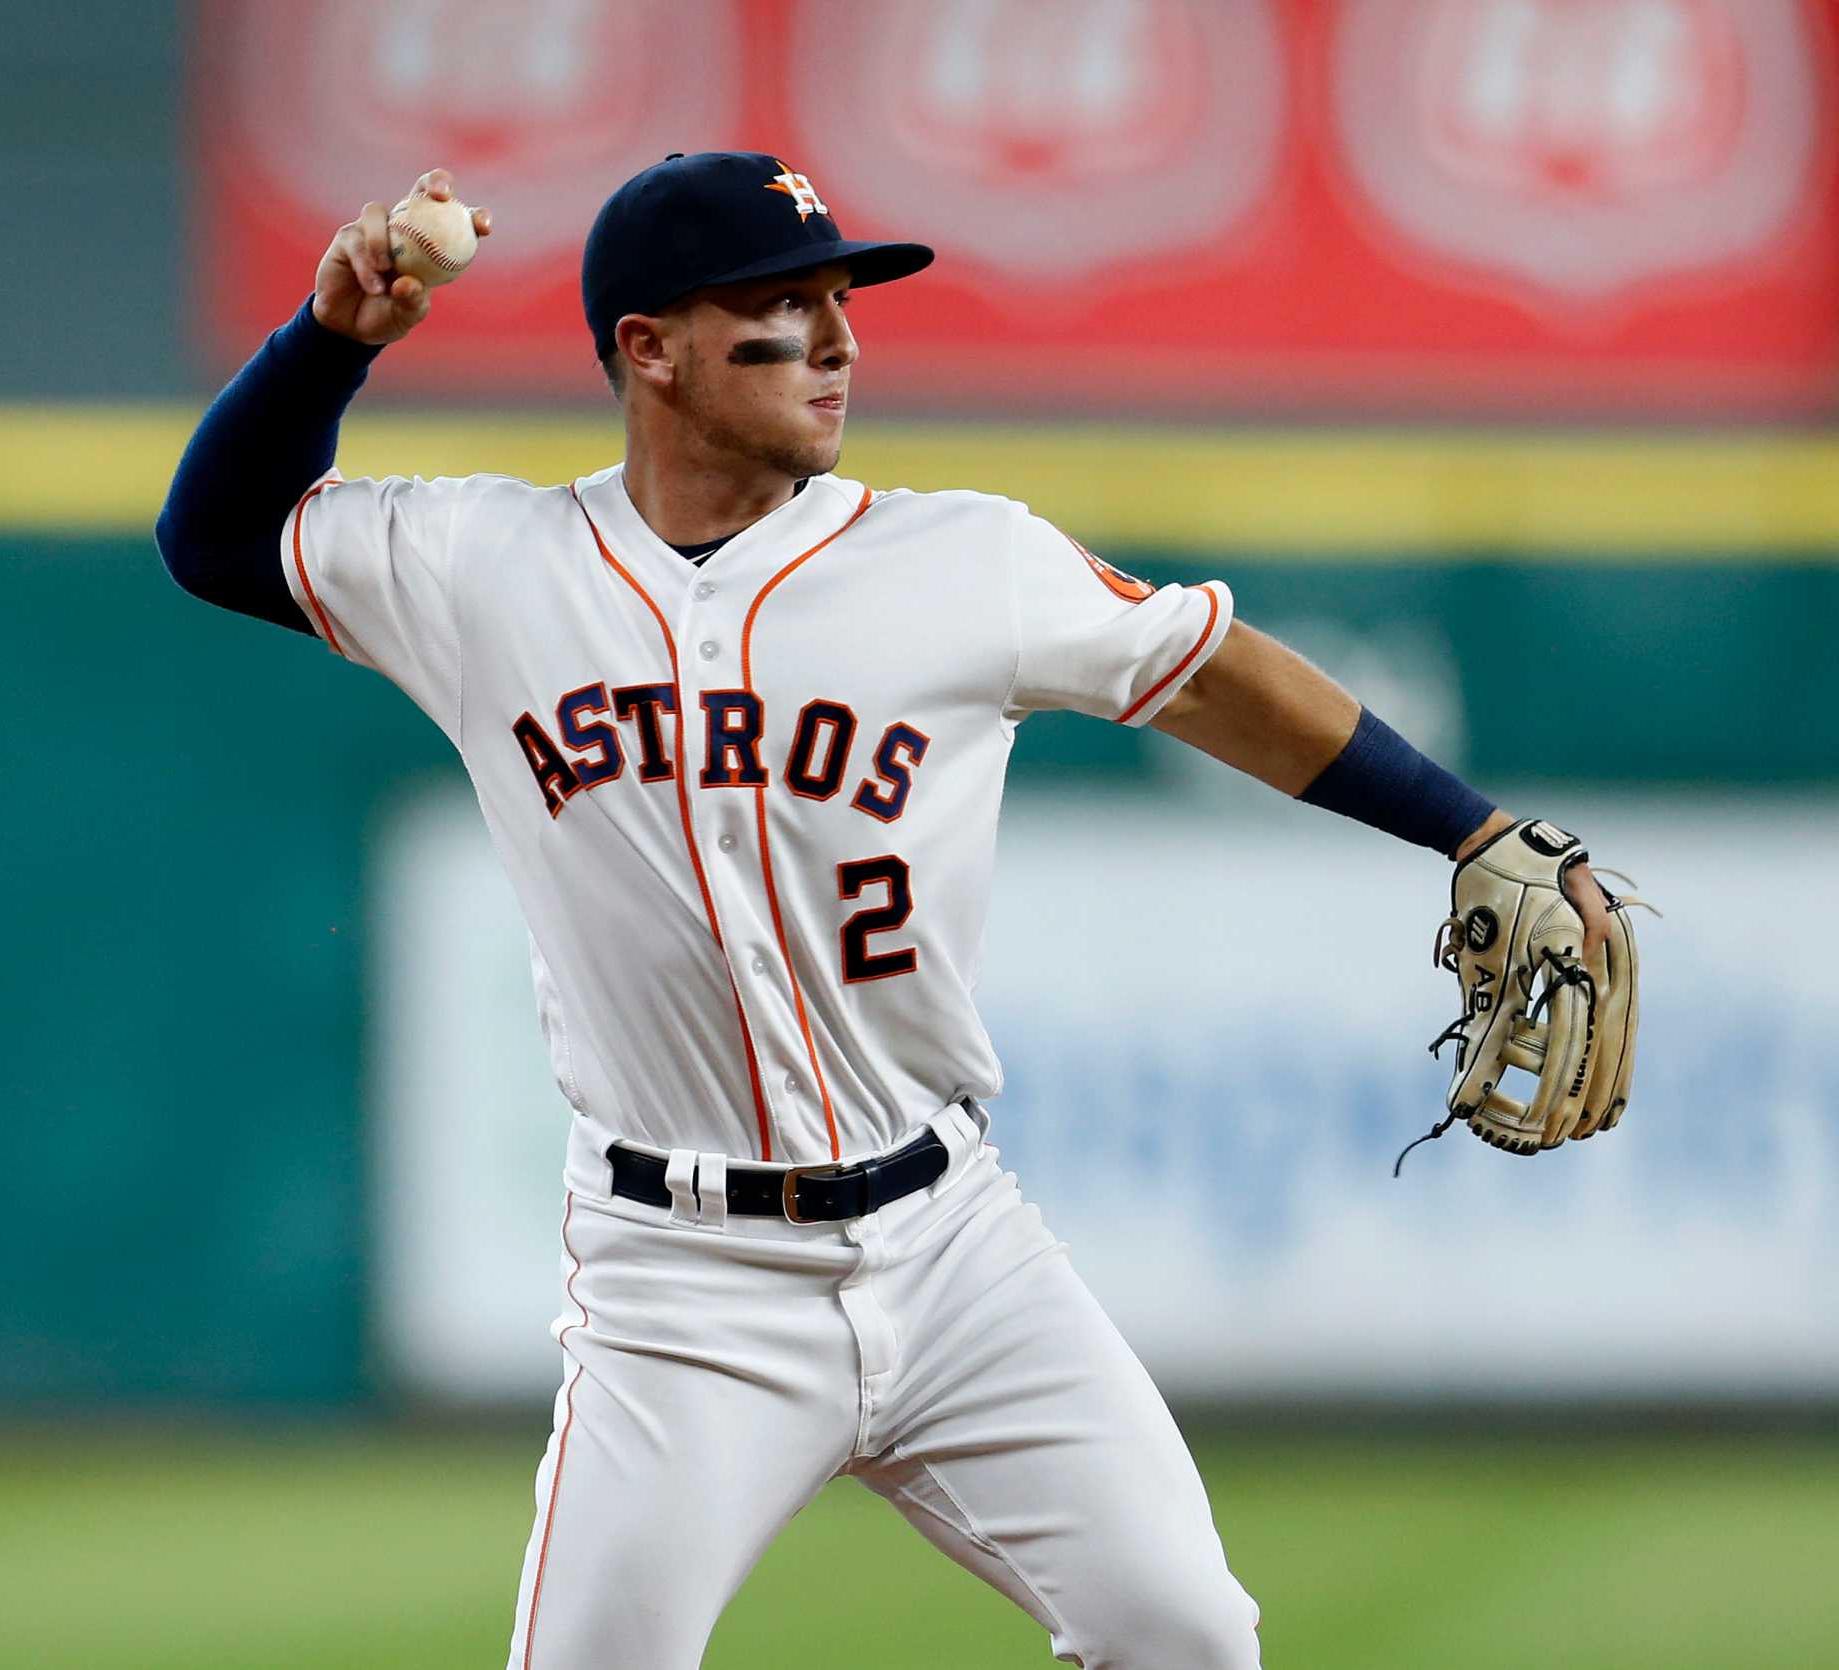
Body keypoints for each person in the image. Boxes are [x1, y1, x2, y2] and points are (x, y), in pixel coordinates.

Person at [156, 152, 1613, 1669]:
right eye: (782, 308)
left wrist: (1472, 829)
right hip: (683, 1284)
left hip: (951, 1239)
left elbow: (1210, 665)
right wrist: (332, 340)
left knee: (1186, 1630)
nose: (839, 341)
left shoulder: (959, 559)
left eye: (843, 301)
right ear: (648, 348)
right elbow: (213, 538)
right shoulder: (487, 566)